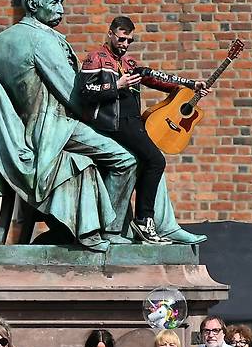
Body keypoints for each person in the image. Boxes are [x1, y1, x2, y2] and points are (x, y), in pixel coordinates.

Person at [0, 0, 199, 249]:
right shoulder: (40, 40)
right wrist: (105, 112)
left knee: (146, 150)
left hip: (16, 135)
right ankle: (112, 230)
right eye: (55, 3)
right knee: (126, 158)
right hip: (53, 128)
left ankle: (160, 225)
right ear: (34, 5)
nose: (62, 9)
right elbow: (74, 95)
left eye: (62, 2)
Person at [79, 15, 209, 244]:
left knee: (150, 162)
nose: (125, 44)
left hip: (134, 122)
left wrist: (190, 84)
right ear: (110, 34)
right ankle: (144, 221)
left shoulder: (129, 63)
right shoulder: (95, 58)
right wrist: (115, 85)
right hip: (114, 124)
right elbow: (85, 92)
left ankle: (153, 223)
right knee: (156, 161)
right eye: (121, 39)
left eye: (129, 40)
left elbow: (155, 77)